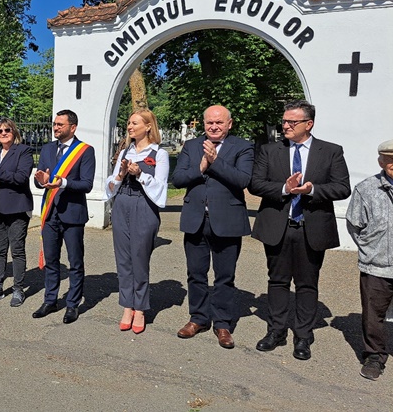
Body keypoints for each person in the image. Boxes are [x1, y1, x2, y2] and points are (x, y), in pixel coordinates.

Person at [250, 99, 350, 361]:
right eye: (284, 121)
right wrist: (284, 189)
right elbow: (256, 184)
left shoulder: (330, 151)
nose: (285, 126)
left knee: (307, 284)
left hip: (311, 227)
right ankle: (276, 331)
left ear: (309, 124)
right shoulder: (270, 151)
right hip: (278, 227)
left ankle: (303, 335)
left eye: (291, 122)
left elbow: (342, 187)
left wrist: (312, 190)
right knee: (278, 281)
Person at [171, 105, 254, 348]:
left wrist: (215, 161)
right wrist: (200, 168)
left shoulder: (243, 146)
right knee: (196, 273)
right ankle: (198, 318)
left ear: (230, 124)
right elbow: (178, 179)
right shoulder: (192, 146)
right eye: (209, 123)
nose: (214, 127)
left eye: (219, 123)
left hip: (227, 220)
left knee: (224, 276)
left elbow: (242, 180)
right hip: (196, 219)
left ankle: (222, 323)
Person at [105, 110, 169, 334]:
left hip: (145, 206)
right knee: (123, 258)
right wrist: (121, 175)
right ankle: (127, 305)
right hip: (122, 203)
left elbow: (161, 188)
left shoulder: (159, 154)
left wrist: (140, 173)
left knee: (139, 258)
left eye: (134, 123)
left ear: (148, 126)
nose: (130, 127)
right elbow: (111, 187)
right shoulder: (124, 151)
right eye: (129, 123)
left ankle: (140, 308)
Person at [32, 109, 95, 324]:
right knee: (51, 261)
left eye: (60, 124)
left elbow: (87, 184)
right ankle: (50, 300)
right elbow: (40, 179)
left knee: (75, 262)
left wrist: (63, 182)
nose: (55, 127)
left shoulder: (85, 151)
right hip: (50, 213)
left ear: (72, 127)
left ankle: (72, 304)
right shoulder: (48, 148)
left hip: (73, 214)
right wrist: (40, 180)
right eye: (54, 124)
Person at [345, 139, 393, 380]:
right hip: (377, 267)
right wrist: (371, 251)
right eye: (389, 160)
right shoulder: (367, 189)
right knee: (373, 315)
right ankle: (374, 356)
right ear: (381, 161)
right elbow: (354, 225)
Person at [0, 119, 34, 307]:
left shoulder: (24, 151)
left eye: (7, 129)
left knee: (17, 251)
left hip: (17, 207)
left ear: (14, 131)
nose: (3, 132)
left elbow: (21, 178)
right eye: (0, 130)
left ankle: (18, 289)